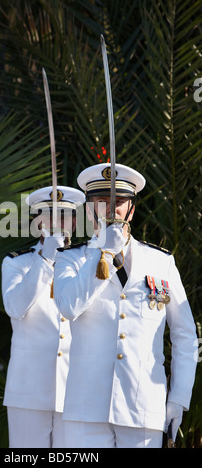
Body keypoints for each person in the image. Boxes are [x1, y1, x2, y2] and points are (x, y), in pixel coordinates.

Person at [53, 163, 197, 448]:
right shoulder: (71, 259)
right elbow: (68, 307)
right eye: (102, 201)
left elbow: (184, 334)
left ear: (131, 208)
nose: (111, 209)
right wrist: (103, 252)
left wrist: (178, 398)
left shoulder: (160, 261)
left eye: (119, 202)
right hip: (86, 410)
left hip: (143, 406)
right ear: (89, 208)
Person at [1, 185, 85, 448]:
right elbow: (15, 307)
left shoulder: (87, 262)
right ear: (38, 222)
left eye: (65, 215)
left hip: (75, 389)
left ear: (74, 220)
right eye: (50, 215)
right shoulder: (16, 263)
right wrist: (45, 259)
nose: (59, 222)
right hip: (28, 392)